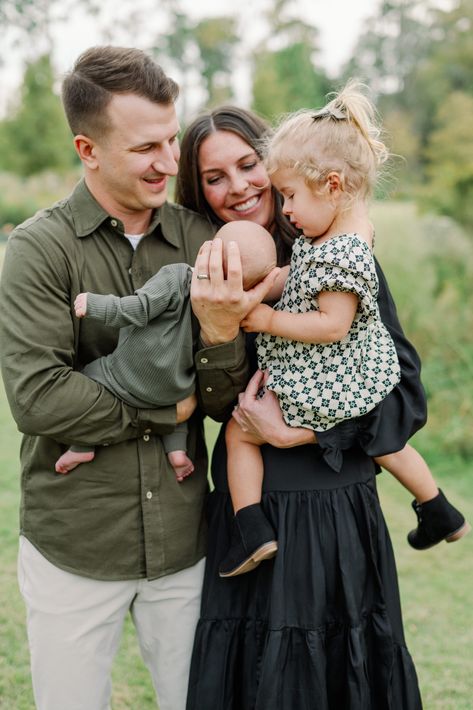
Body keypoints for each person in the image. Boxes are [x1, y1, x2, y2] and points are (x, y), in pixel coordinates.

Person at [0, 48, 276, 710]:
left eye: (168, 140)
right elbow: (39, 397)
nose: (165, 162)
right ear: (87, 149)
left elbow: (220, 399)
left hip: (186, 543)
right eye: (144, 147)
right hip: (75, 542)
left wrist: (214, 337)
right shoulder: (38, 250)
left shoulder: (202, 240)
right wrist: (168, 408)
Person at [176, 104, 429, 708]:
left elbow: (402, 396)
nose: (238, 187)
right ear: (201, 192)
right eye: (215, 177)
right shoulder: (208, 268)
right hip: (251, 506)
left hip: (332, 505)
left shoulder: (335, 257)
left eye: (248, 165)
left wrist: (306, 436)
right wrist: (216, 330)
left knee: (334, 671)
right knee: (253, 673)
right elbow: (210, 405)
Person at [220, 82, 470, 577]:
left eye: (289, 195)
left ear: (333, 186)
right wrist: (271, 281)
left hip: (326, 381)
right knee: (389, 445)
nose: (286, 208)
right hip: (363, 381)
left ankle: (252, 528)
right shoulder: (341, 236)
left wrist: (267, 319)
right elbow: (300, 273)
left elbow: (333, 325)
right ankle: (440, 510)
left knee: (239, 433)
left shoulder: (344, 253)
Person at [55, 221, 277, 483]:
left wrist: (95, 304)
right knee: (180, 403)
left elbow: (137, 308)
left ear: (207, 252)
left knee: (90, 375)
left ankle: (82, 447)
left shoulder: (176, 277)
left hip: (127, 378)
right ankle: (177, 452)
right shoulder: (234, 314)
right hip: (176, 391)